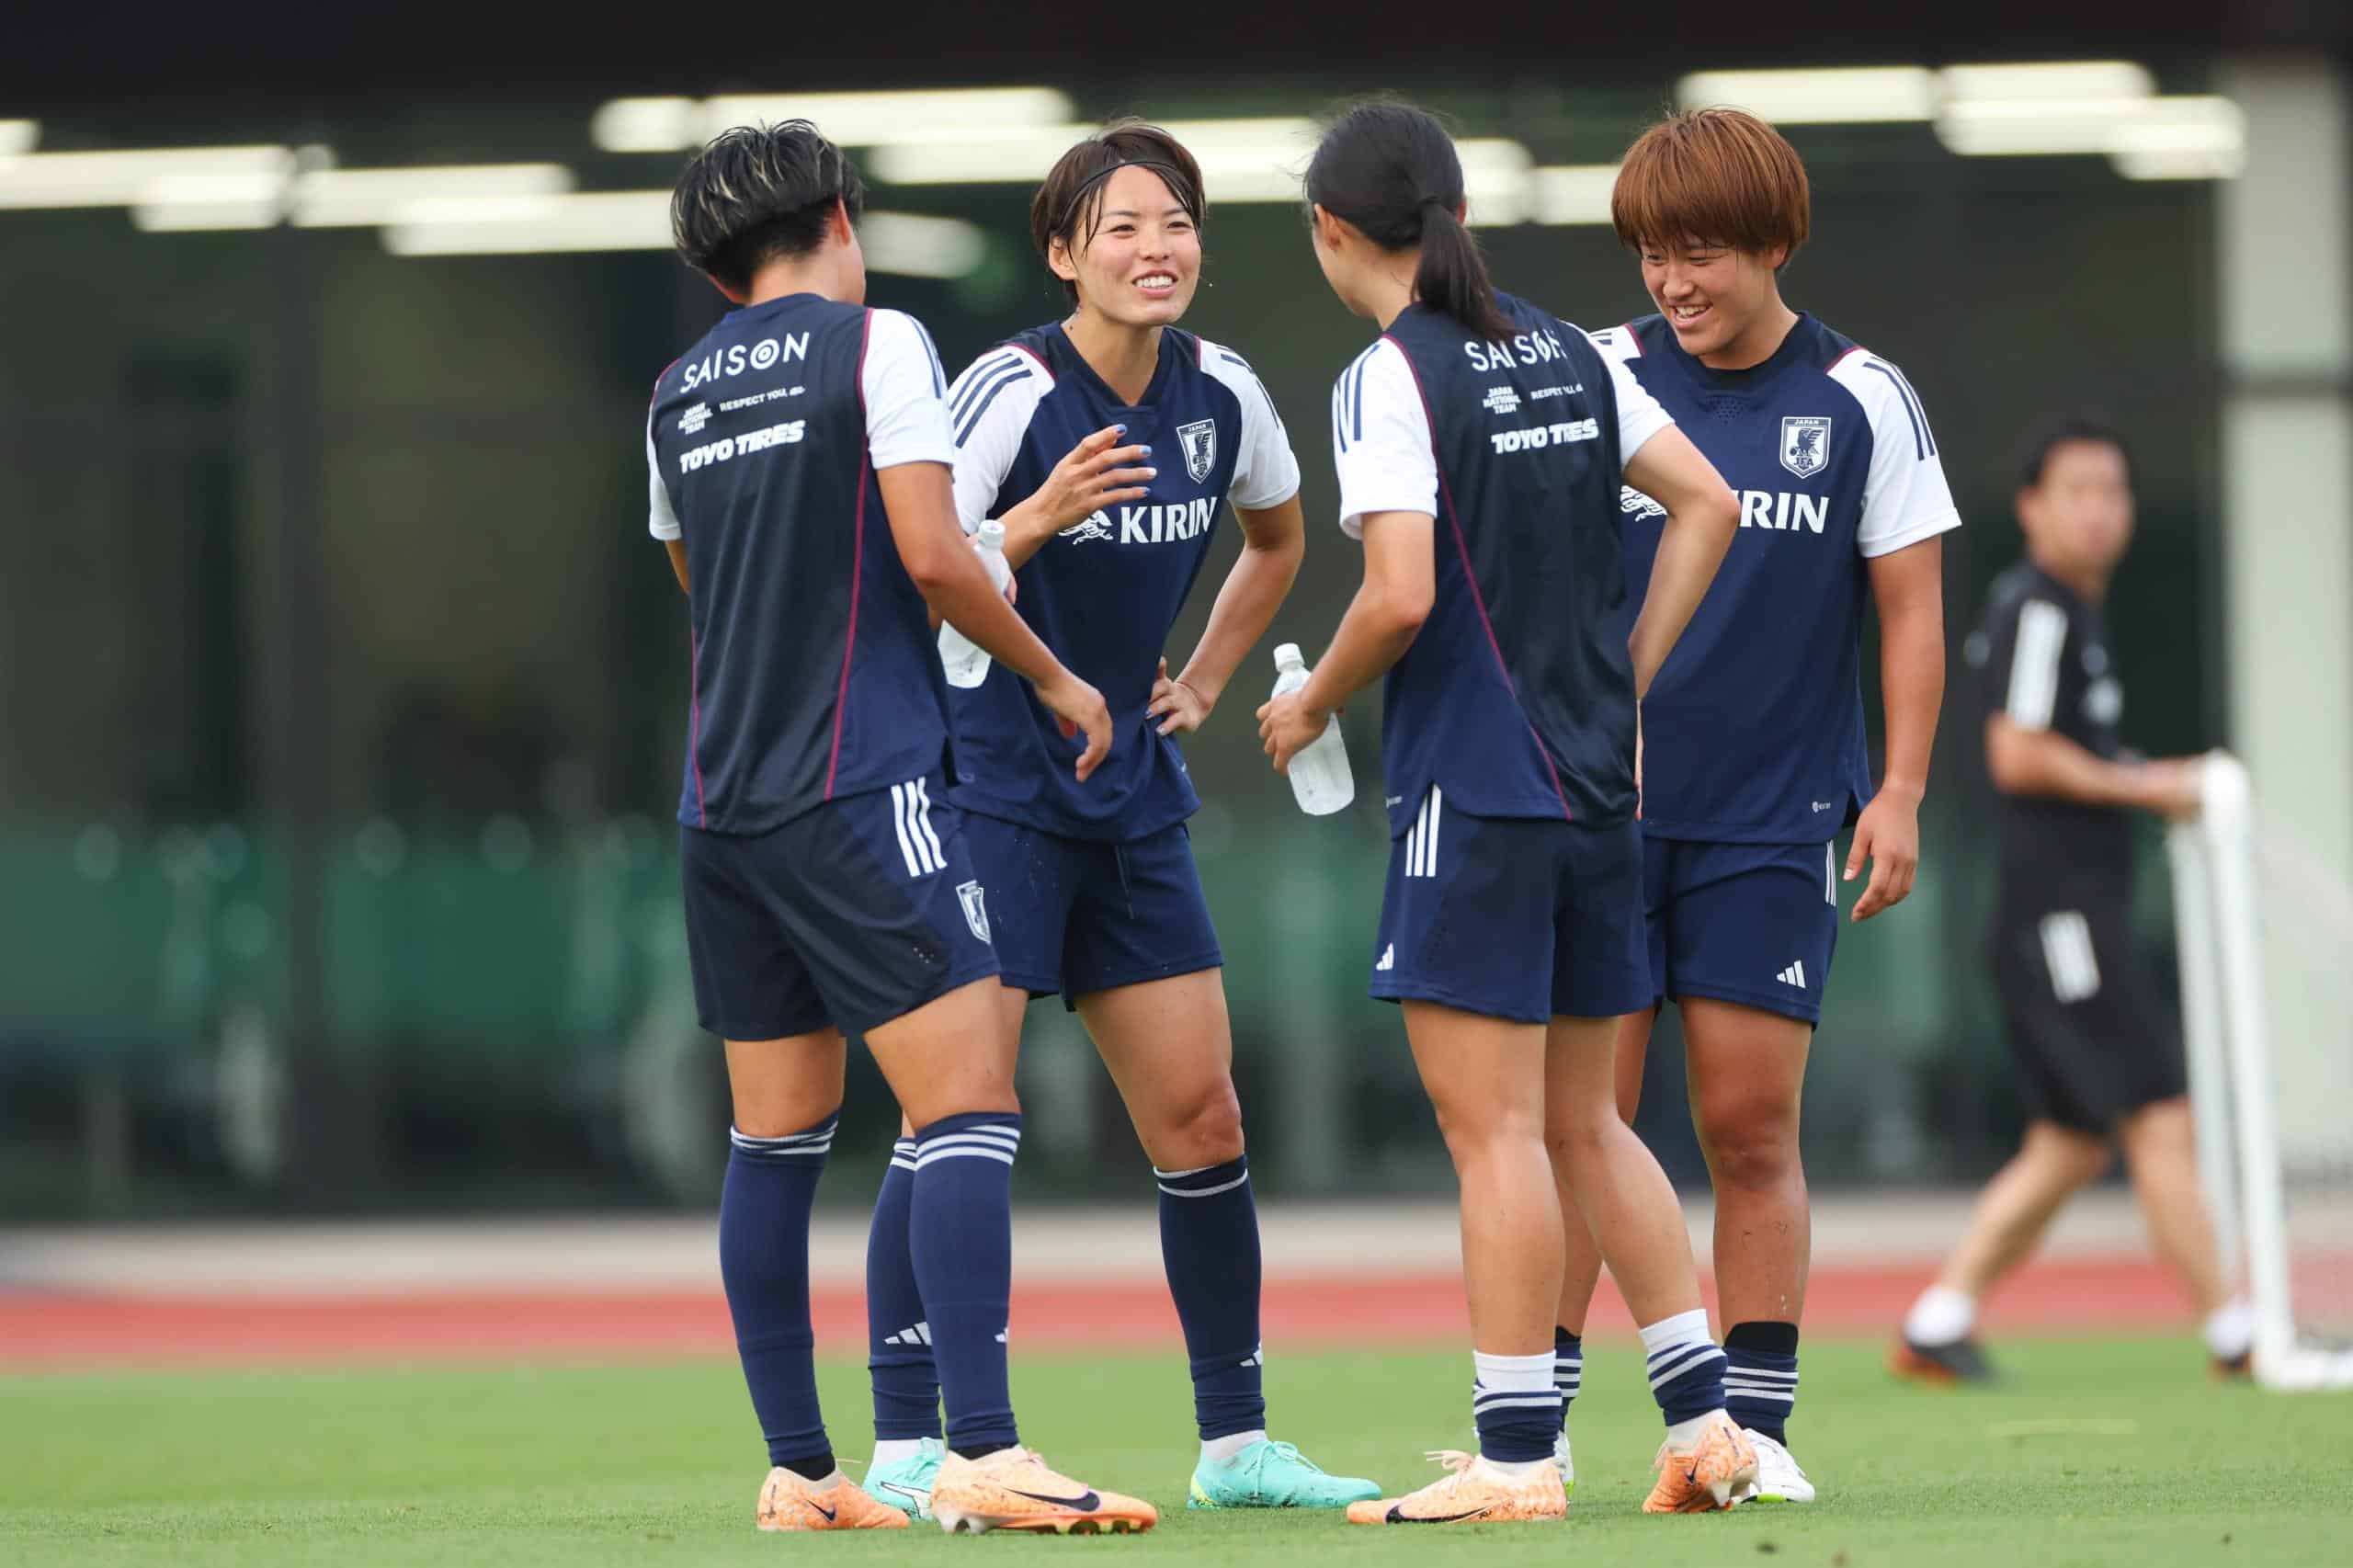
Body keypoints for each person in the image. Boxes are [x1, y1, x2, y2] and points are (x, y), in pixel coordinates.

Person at [858, 120, 1378, 1517]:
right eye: (1124, 226)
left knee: (1203, 1114)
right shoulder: (1005, 389)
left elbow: (1282, 534)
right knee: (952, 1114)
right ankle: (913, 1441)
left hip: (1131, 796)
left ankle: (1238, 1446)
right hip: (987, 789)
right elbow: (921, 574)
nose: (1158, 250)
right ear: (1063, 251)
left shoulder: (1224, 391)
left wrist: (1204, 678)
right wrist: (1030, 522)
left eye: (1178, 223)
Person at [646, 120, 1154, 1537]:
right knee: (969, 1102)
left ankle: (803, 1471)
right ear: (841, 219)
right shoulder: (879, 345)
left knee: (778, 1140)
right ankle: (985, 1450)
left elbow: (705, 573)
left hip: (723, 804)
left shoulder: (675, 392)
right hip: (861, 783)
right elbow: (930, 553)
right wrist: (1054, 674)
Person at [1260, 98, 1753, 1524]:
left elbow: (1399, 592)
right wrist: (1625, 681)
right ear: (1461, 213)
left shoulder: (1387, 375)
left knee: (1498, 1136)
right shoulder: (1574, 348)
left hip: (1475, 789)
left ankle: (1519, 1454)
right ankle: (1705, 1424)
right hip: (1597, 787)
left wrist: (1312, 705)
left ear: (1330, 233)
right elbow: (1706, 502)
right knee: (1591, 1123)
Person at [1552, 107, 1962, 1505]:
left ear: (1777, 242)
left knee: (1747, 1128)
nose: (1675, 282)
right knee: (1580, 1127)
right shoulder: (1597, 377)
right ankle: (1530, 1427)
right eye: (1657, 255)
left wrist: (1897, 788)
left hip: (1774, 819)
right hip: (1601, 816)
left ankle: (1760, 1427)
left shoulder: (1861, 395)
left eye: (1705, 253)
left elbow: (1911, 608)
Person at [1894, 416, 2252, 1383]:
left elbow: (2069, 750)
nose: (2098, 509)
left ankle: (1937, 1318)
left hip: (2061, 917)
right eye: (2076, 490)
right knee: (2159, 1112)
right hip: (2059, 922)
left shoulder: (2071, 616)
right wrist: (2151, 786)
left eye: (2113, 490)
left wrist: (2140, 772)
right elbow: (2018, 750)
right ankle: (2237, 1333)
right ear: (2030, 506)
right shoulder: (2038, 607)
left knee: (2068, 1140)